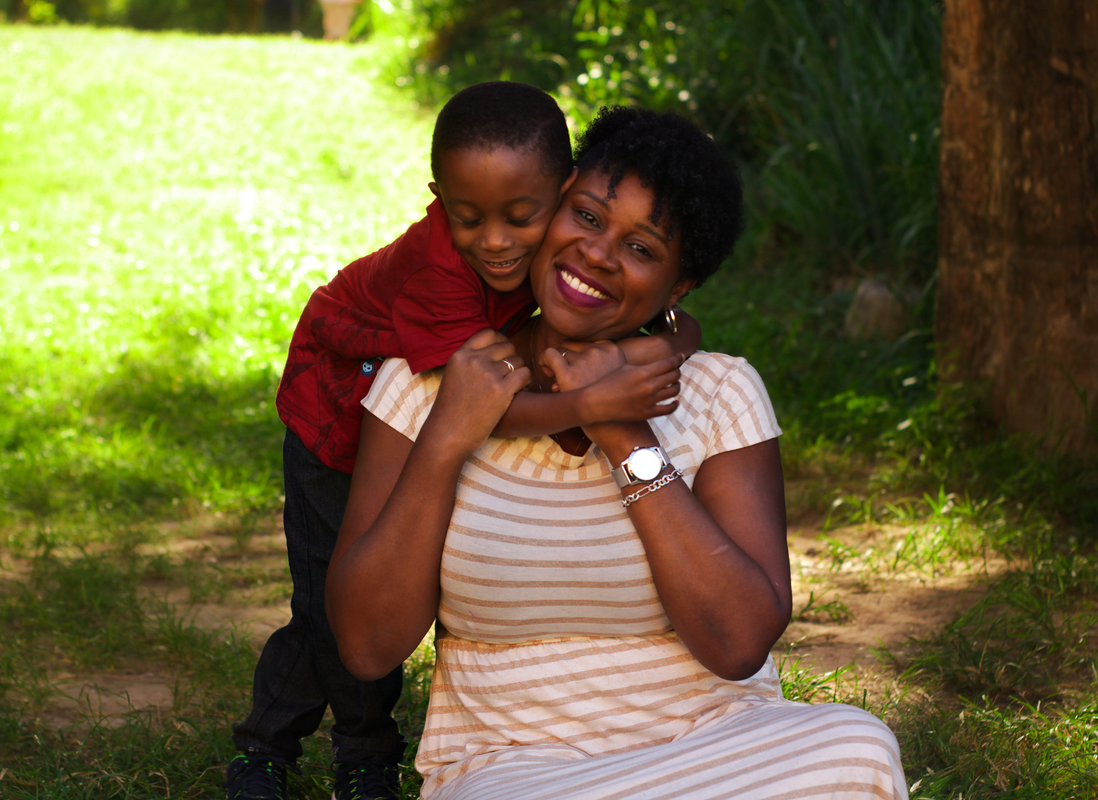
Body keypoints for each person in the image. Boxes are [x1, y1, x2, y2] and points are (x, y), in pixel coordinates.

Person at [326, 106, 909, 800]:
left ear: (678, 287)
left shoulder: (721, 393)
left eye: (642, 249)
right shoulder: (428, 384)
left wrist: (622, 430)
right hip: (516, 768)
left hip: (715, 745)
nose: (599, 254)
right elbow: (365, 644)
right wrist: (448, 436)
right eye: (590, 217)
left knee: (857, 747)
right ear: (553, 206)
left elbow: (738, 641)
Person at [227, 84, 700, 800]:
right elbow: (477, 409)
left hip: (399, 416)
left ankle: (361, 744)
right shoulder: (442, 272)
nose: (496, 241)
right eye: (467, 216)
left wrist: (674, 339)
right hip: (336, 416)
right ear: (438, 197)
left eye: (521, 216)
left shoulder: (557, 244)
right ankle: (309, 748)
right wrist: (588, 404)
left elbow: (641, 322)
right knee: (336, 595)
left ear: (563, 187)